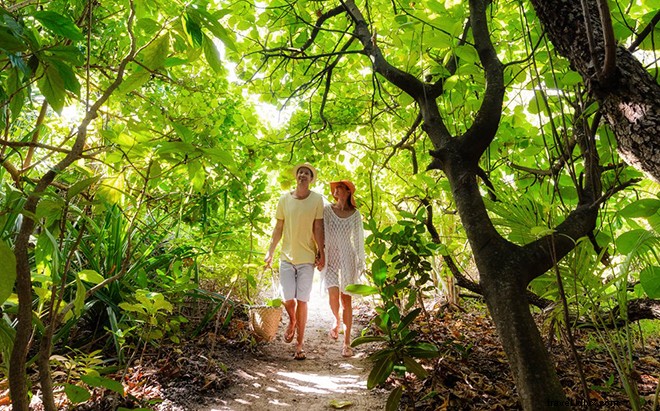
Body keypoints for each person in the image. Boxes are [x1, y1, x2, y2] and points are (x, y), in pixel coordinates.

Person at [264, 163, 325, 360]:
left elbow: (317, 228)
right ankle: (292, 320)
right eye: (300, 172)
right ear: (296, 177)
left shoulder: (317, 200)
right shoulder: (284, 200)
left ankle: (299, 345)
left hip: (307, 257)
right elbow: (278, 229)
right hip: (286, 257)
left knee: (303, 300)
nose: (303, 175)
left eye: (307, 173)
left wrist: (321, 252)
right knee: (287, 297)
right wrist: (270, 251)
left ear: (311, 179)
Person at [322, 179, 365, 357]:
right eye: (335, 189)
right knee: (333, 294)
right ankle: (336, 318)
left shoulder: (355, 214)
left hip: (348, 259)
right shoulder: (327, 211)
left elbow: (359, 239)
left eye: (340, 188)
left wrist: (361, 261)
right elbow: (320, 231)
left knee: (346, 300)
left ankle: (347, 343)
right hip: (331, 258)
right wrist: (319, 252)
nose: (336, 191)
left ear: (348, 192)